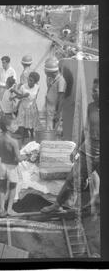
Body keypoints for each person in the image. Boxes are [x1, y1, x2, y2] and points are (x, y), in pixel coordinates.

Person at [41, 78, 100, 213]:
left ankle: (96, 203)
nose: (92, 93)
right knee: (71, 179)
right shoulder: (91, 107)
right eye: (92, 90)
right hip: (88, 151)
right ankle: (57, 205)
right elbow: (85, 130)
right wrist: (76, 148)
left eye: (95, 91)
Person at [0, 115, 25, 217]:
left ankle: (1, 209)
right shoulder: (14, 142)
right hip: (12, 167)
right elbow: (19, 159)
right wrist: (27, 156)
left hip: (2, 165)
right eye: (14, 124)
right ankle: (10, 209)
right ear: (8, 127)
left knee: (2, 187)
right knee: (12, 187)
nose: (16, 126)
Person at [14, 72, 40, 145]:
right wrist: (23, 96)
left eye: (32, 81)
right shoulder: (23, 87)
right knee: (22, 125)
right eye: (29, 79)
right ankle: (21, 142)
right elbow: (18, 97)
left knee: (31, 126)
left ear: (35, 82)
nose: (29, 82)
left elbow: (35, 97)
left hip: (32, 108)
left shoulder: (37, 87)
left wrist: (33, 107)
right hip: (23, 107)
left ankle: (32, 141)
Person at [44, 57, 67, 130]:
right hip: (50, 108)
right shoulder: (52, 78)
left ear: (52, 72)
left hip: (54, 110)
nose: (46, 74)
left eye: (47, 72)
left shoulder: (61, 81)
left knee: (52, 130)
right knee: (49, 128)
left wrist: (58, 113)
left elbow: (61, 98)